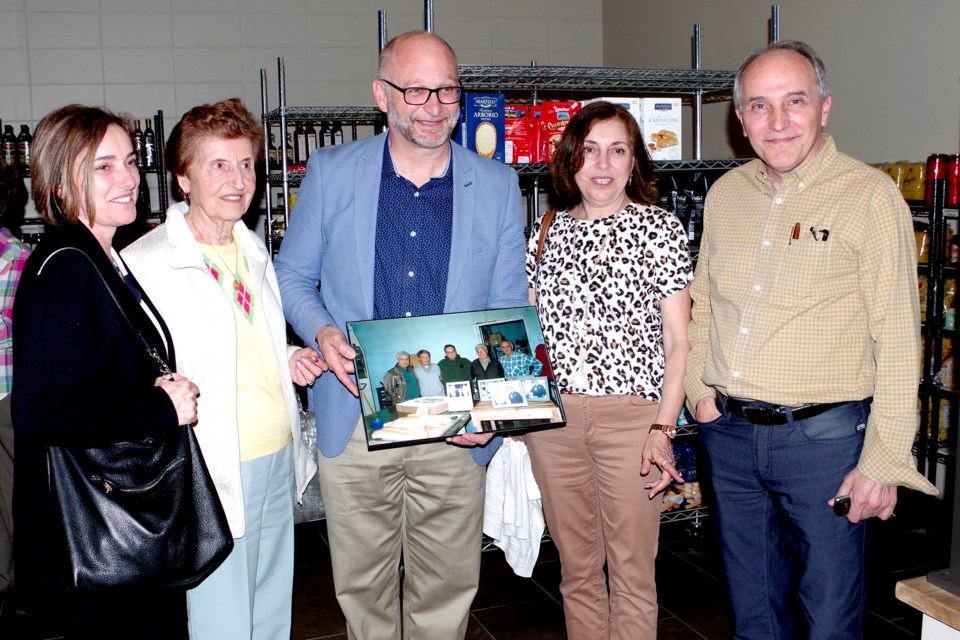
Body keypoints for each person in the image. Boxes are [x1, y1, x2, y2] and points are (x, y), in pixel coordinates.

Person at [274, 30, 528, 639]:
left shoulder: (495, 185)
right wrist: (323, 329)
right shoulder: (334, 173)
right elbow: (291, 276)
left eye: (446, 90)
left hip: (455, 422)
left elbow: (508, 305)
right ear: (381, 95)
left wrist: (490, 415)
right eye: (415, 89)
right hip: (355, 415)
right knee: (361, 585)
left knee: (447, 588)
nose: (433, 105)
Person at [683, 40, 939, 640]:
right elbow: (706, 307)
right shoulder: (726, 196)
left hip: (824, 448)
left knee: (828, 619)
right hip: (730, 437)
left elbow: (901, 342)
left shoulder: (871, 198)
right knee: (753, 616)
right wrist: (699, 389)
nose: (777, 122)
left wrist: (881, 463)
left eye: (794, 102)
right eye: (760, 106)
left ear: (824, 107)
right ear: (740, 118)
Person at [122, 98, 324, 640]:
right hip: (212, 466)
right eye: (218, 165)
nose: (238, 181)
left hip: (278, 455)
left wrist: (288, 357)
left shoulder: (251, 246)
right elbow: (140, 372)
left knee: (271, 603)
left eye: (246, 164)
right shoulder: (147, 263)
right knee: (221, 615)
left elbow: (239, 336)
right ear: (182, 178)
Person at [12, 104, 200, 639]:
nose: (128, 178)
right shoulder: (68, 267)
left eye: (132, 161)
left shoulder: (98, 256)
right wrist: (158, 408)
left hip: (116, 516)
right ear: (60, 179)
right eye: (103, 166)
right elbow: (39, 408)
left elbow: (97, 372)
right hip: (93, 530)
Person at [525, 100, 690, 640]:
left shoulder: (660, 229)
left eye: (617, 150)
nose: (602, 164)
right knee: (576, 572)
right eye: (590, 149)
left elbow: (679, 340)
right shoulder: (544, 231)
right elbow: (528, 331)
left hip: (633, 422)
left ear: (634, 161)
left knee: (632, 573)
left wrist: (663, 428)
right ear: (570, 159)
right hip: (555, 425)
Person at [0, 157, 28, 594]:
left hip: (7, 396)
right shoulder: (20, 258)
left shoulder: (19, 260)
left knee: (11, 500)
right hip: (8, 392)